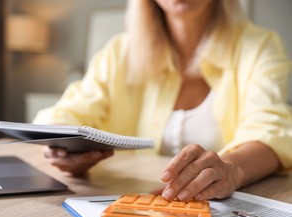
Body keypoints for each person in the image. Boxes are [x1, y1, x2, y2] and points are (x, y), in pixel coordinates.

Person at [33, 0, 292, 201]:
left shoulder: (259, 47)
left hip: (224, 209)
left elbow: (271, 129)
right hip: (132, 202)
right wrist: (64, 149)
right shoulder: (119, 53)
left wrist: (231, 170)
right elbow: (65, 114)